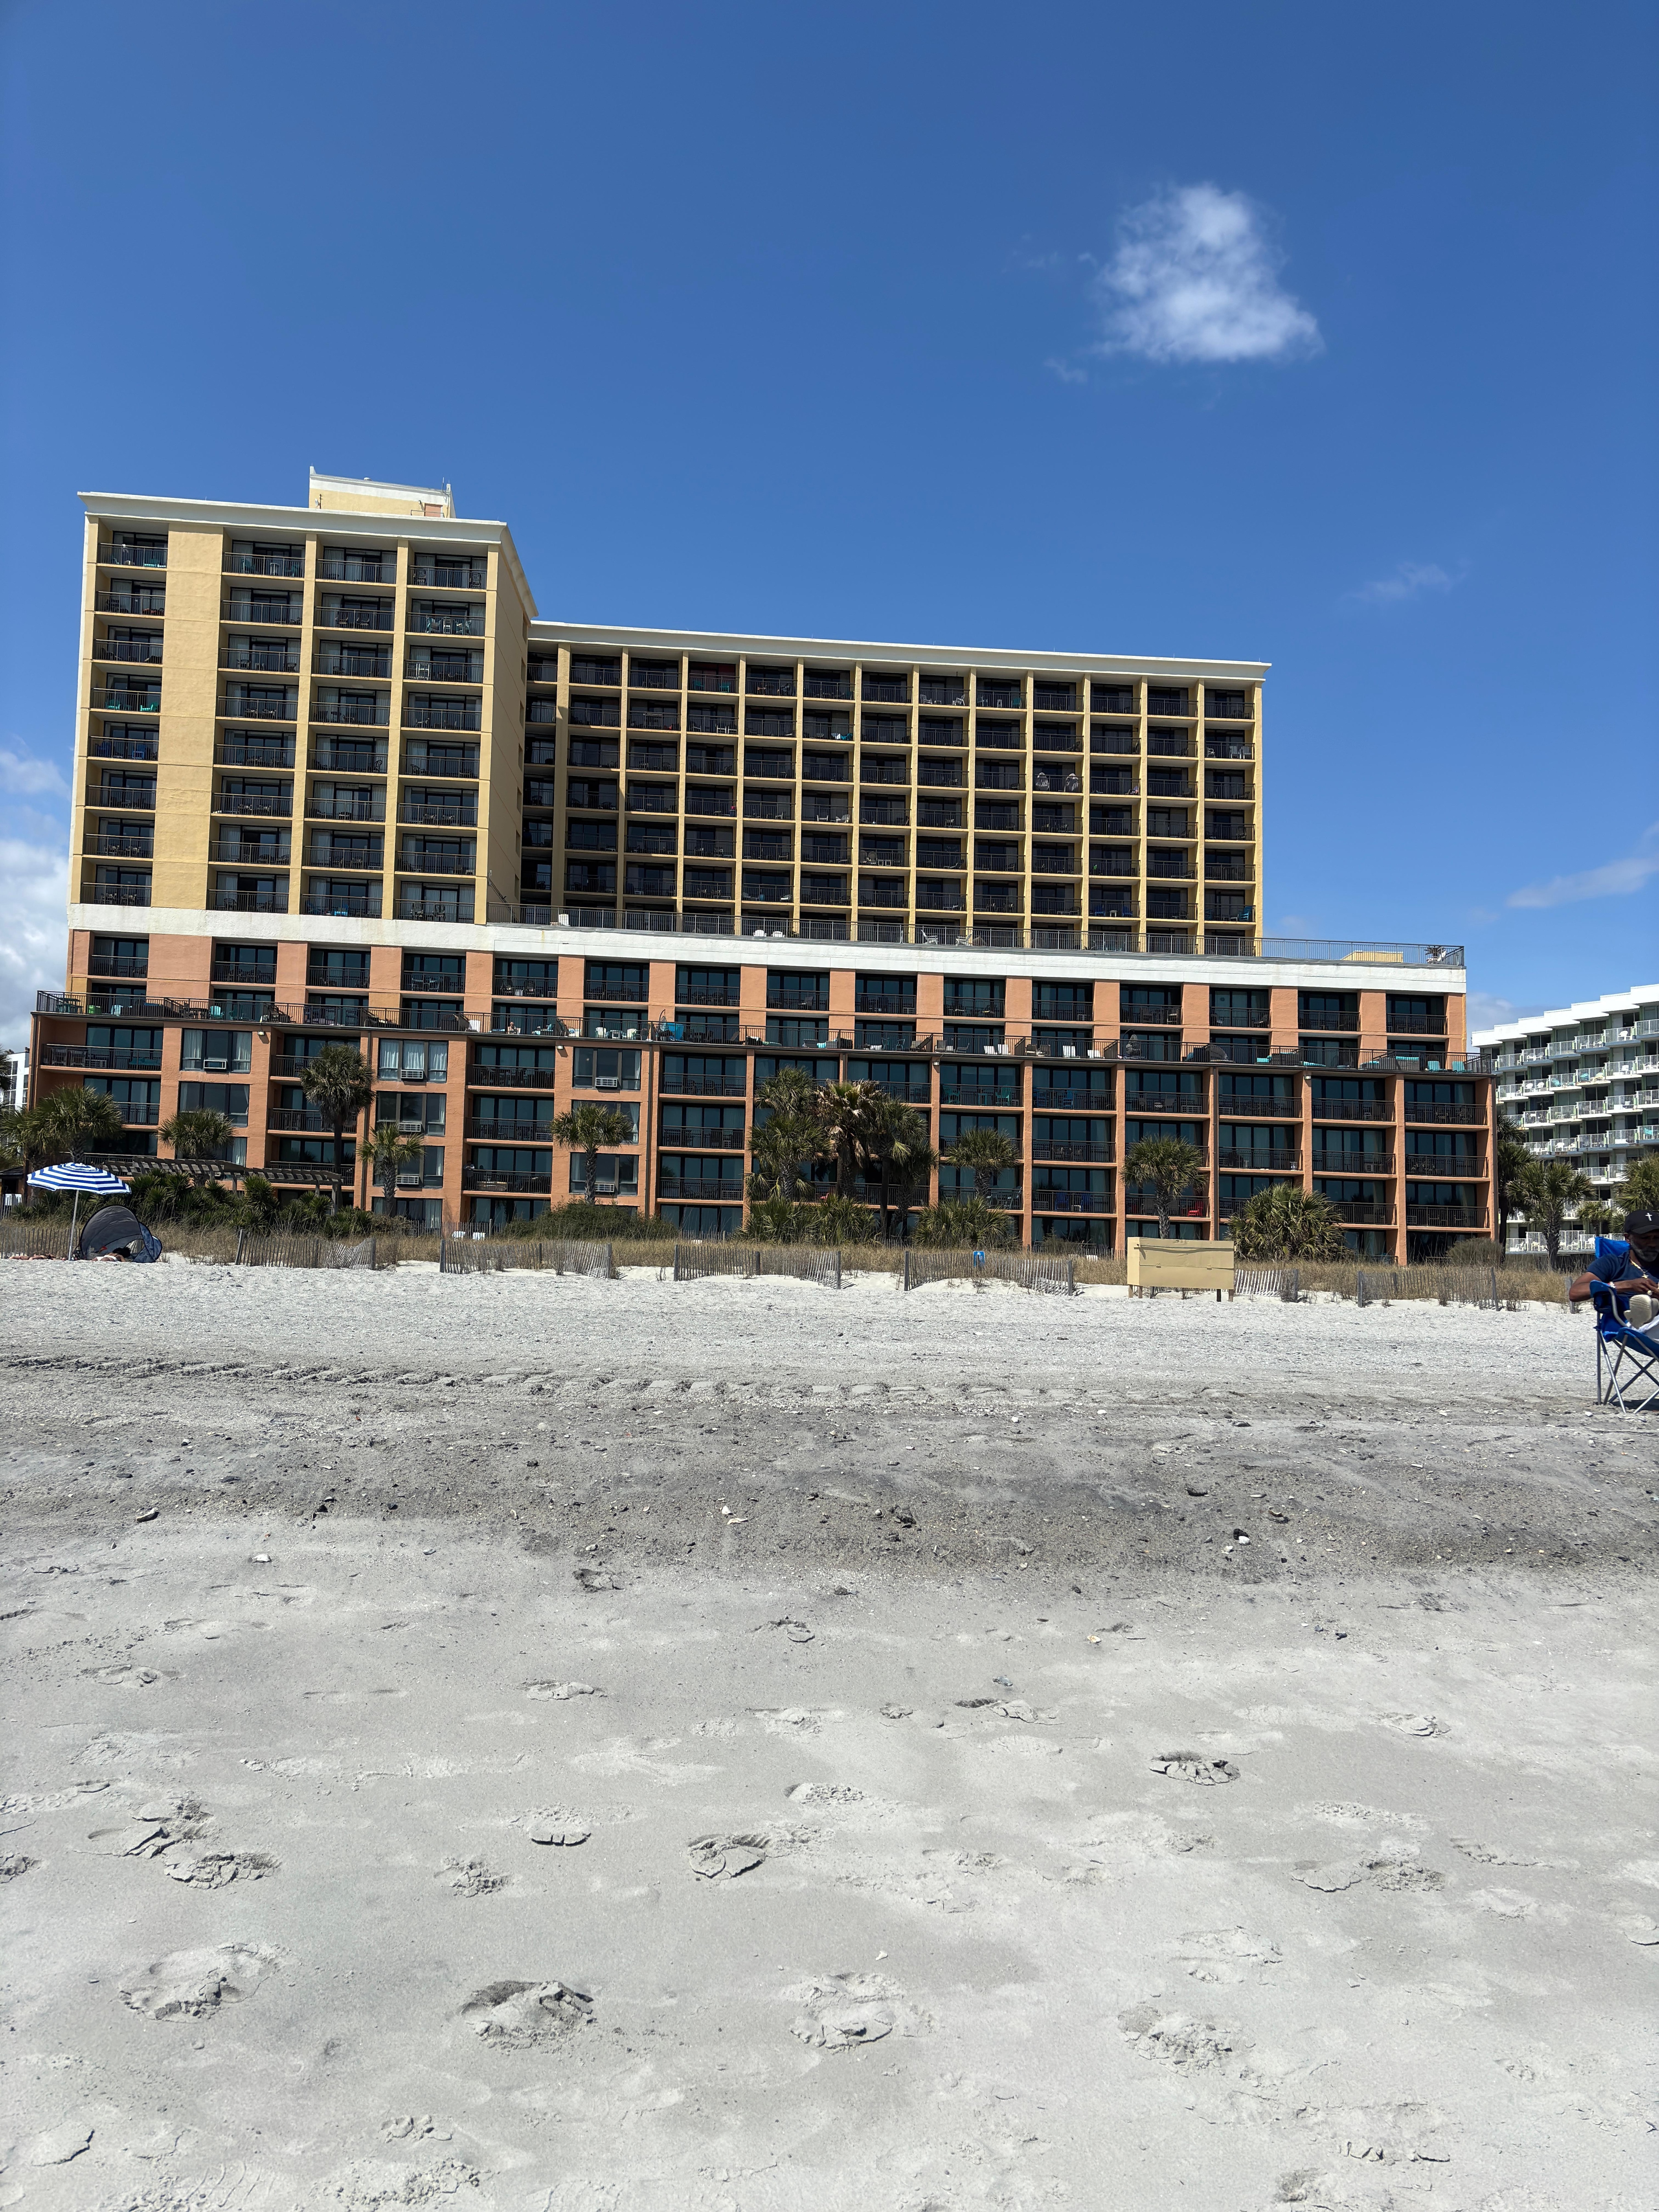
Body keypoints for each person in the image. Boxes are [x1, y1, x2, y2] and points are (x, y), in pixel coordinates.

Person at [1568, 1210, 1659, 1330]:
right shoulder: (1613, 1263)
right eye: (1645, 1238)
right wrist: (1628, 1285)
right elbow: (1575, 1293)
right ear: (1628, 1238)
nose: (1653, 1244)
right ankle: (1643, 1312)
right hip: (1628, 1325)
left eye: (1657, 1238)